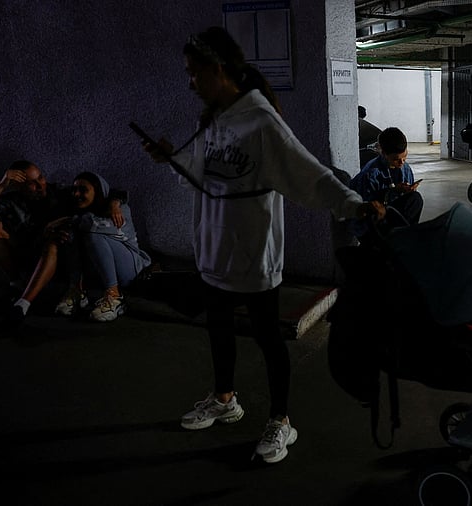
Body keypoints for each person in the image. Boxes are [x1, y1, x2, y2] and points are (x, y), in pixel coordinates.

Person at [138, 26, 383, 465]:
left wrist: (353, 205)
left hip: (253, 252)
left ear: (219, 70)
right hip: (213, 248)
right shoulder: (211, 120)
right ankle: (224, 398)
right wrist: (172, 156)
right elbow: (201, 174)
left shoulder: (262, 120)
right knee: (218, 328)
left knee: (268, 337)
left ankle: (281, 419)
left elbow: (309, 173)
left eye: (195, 73)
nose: (190, 82)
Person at [5, 171, 151, 325]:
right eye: (74, 190)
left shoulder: (119, 209)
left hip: (131, 271)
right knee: (68, 234)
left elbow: (91, 225)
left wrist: (63, 221)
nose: (76, 194)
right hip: (98, 273)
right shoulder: (80, 211)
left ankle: (115, 297)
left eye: (83, 190)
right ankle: (76, 290)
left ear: (98, 191)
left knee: (92, 234)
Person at [0, 161, 127, 296]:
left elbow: (110, 191)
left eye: (41, 178)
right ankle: (16, 282)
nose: (40, 185)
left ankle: (65, 290)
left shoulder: (57, 191)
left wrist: (114, 204)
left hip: (61, 251)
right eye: (32, 183)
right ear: (19, 187)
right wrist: (1, 185)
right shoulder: (11, 201)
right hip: (31, 251)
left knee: (59, 239)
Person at [349, 126, 423, 243]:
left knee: (415, 199)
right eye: (396, 159)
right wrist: (392, 190)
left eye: (405, 157)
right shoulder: (371, 174)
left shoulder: (405, 168)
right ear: (384, 153)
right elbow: (366, 210)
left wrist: (408, 190)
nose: (401, 162)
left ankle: (404, 238)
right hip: (371, 222)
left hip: (390, 217)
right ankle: (397, 241)